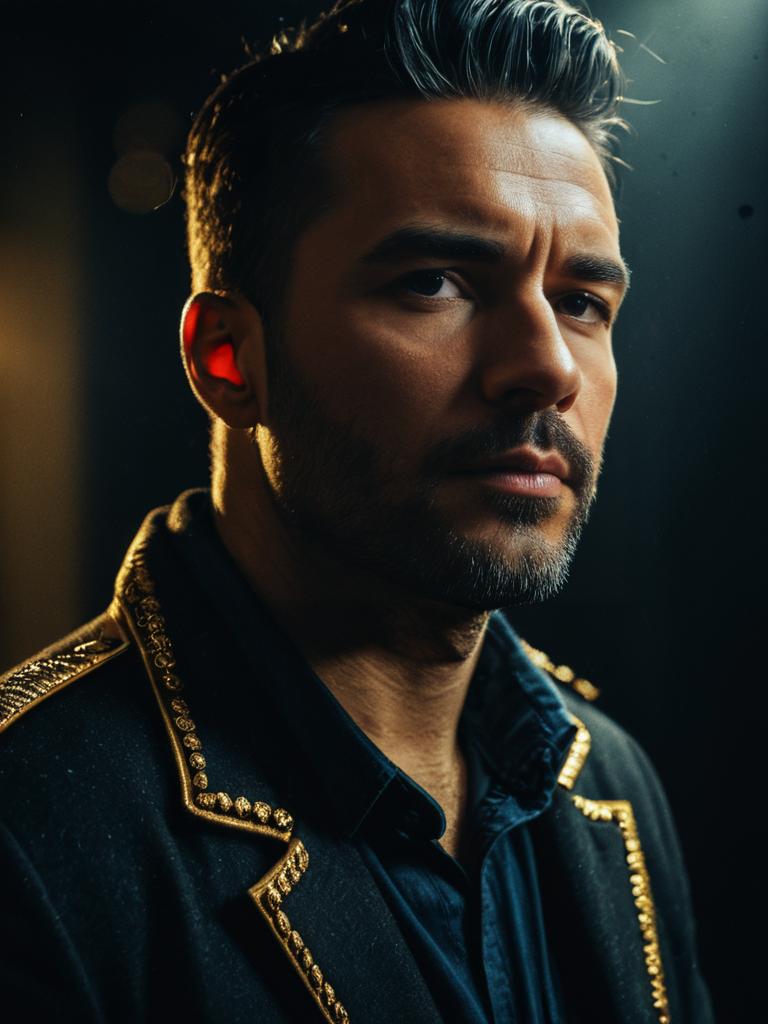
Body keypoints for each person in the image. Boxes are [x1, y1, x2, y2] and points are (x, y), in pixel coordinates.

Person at [0, 1, 714, 1021]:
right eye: (435, 282)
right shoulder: (32, 830)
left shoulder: (611, 784)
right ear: (228, 360)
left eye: (582, 301)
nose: (547, 366)